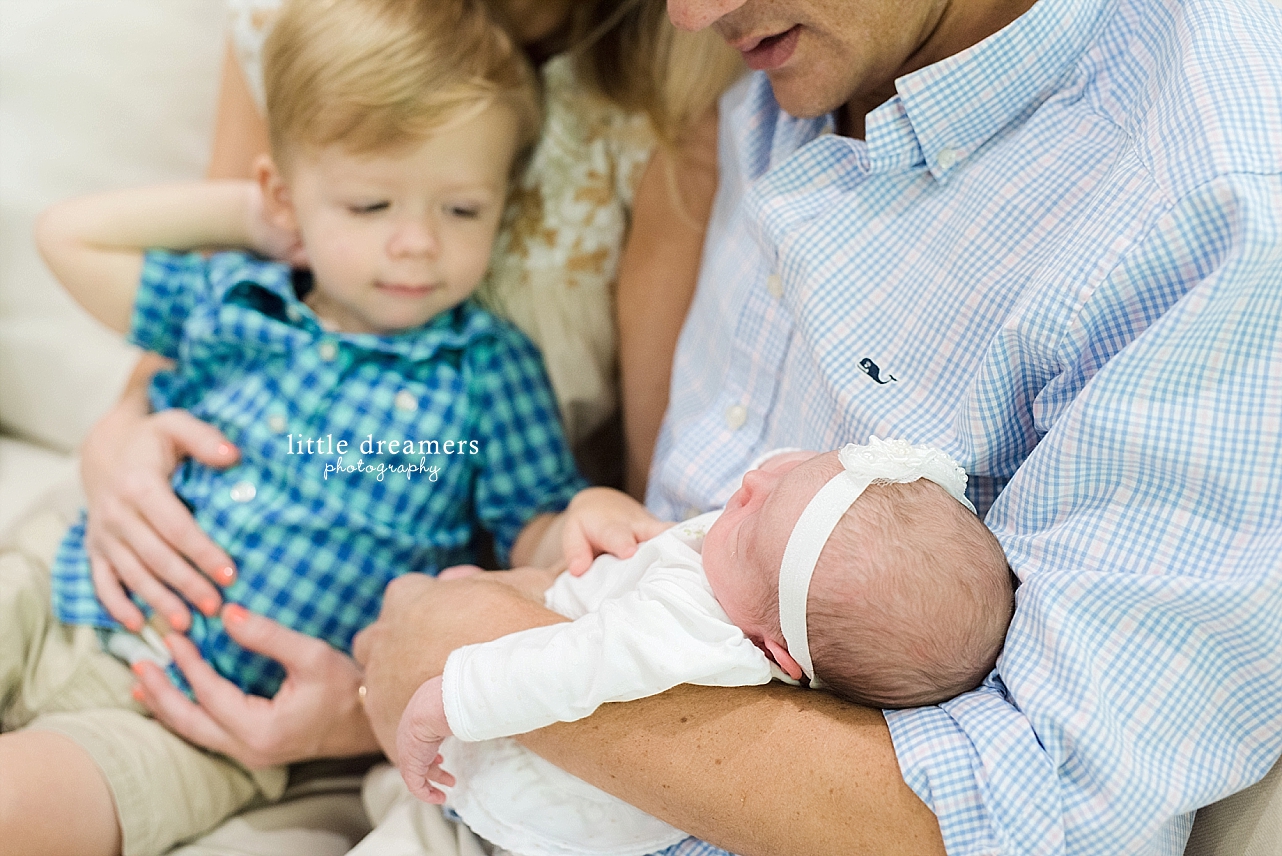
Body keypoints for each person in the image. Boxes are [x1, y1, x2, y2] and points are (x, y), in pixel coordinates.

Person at [348, 0, 1282, 854]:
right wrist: (406, 688)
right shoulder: (771, 66)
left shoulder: (1216, 200)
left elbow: (1039, 815)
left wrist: (479, 660)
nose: (691, 15)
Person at [1, 0, 618, 852]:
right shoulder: (237, 298)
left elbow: (533, 523)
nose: (415, 243)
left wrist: (578, 522)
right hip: (61, 589)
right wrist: (257, 221)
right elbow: (65, 237)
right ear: (287, 198)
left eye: (462, 211)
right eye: (369, 205)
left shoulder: (487, 369)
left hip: (195, 718)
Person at [388, 440, 1013, 856]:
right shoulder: (763, 585)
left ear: (777, 655)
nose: (749, 482)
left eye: (753, 519)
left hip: (530, 790)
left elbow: (563, 668)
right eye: (789, 477)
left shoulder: (693, 626)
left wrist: (445, 699)